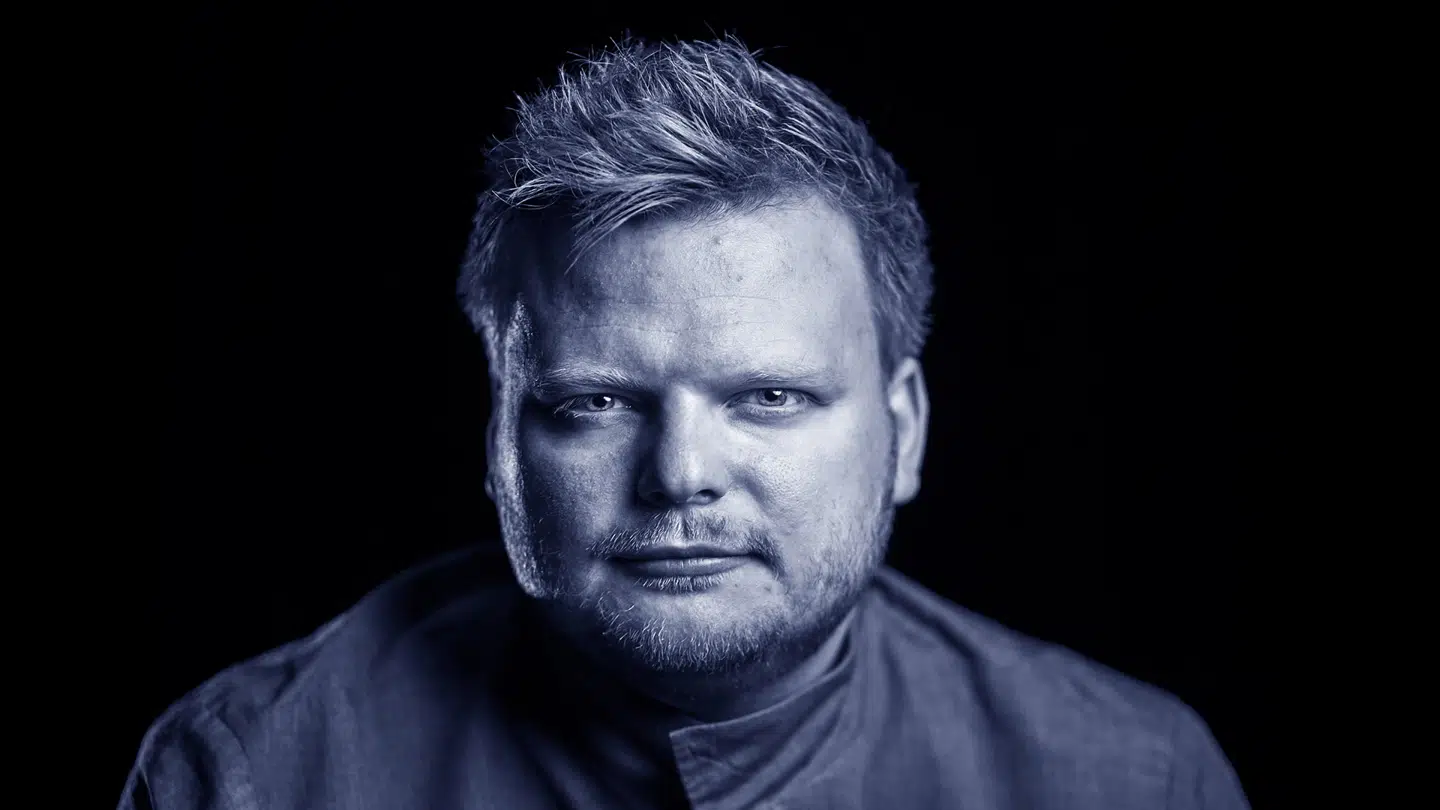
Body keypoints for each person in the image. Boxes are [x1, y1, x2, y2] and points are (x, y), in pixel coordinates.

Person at [123, 37, 1250, 809]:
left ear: (903, 432)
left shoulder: (1134, 781)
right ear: (500, 441)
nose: (680, 474)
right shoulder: (257, 774)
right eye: (595, 402)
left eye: (770, 397)